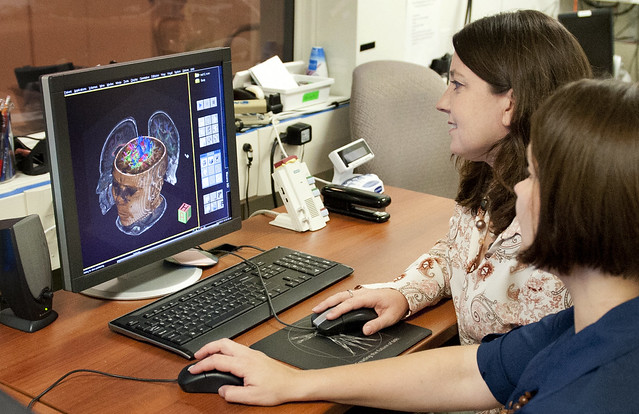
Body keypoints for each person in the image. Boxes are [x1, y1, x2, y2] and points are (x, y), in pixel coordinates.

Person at [189, 78, 639, 412]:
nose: (519, 189)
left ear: (582, 206)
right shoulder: (587, 324)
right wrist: (296, 382)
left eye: (535, 175)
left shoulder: (594, 395)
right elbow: (472, 370)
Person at [312, 9, 592, 345]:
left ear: (511, 105)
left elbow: (502, 376)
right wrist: (404, 292)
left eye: (457, 85)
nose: (442, 102)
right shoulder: (492, 177)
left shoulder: (552, 231)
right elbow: (462, 254)